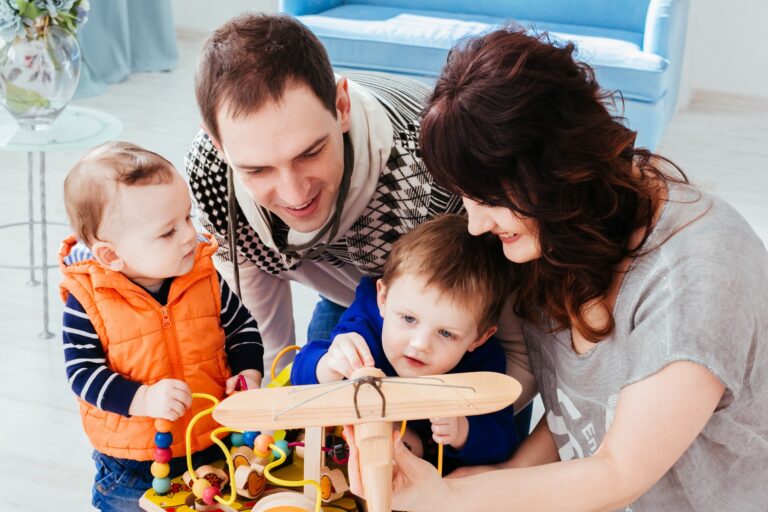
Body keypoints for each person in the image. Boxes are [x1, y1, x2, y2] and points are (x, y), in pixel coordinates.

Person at [343, 26, 768, 511]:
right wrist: (508, 474)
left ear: (552, 171)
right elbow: (584, 407)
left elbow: (620, 471)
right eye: (467, 199)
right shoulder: (549, 238)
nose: (476, 225)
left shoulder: (701, 275)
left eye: (487, 200)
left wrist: (445, 496)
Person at [184, 13, 536, 419]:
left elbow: (518, 351)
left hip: (457, 324)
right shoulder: (212, 175)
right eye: (257, 170)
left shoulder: (429, 175)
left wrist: (469, 431)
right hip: (362, 291)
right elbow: (264, 320)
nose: (294, 195)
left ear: (341, 106)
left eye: (310, 153)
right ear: (218, 144)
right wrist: (274, 408)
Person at [59, 142, 265, 511]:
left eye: (187, 217)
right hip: (134, 464)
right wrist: (142, 399)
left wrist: (248, 371)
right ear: (111, 255)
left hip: (214, 440)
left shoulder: (204, 276)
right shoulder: (87, 301)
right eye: (168, 232)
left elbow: (242, 328)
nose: (188, 235)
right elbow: (82, 375)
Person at [291, 214, 520, 470]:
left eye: (446, 333)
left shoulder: (483, 364)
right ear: (383, 299)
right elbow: (299, 376)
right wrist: (328, 365)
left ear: (478, 338)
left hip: (424, 474)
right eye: (409, 319)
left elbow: (503, 440)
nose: (420, 344)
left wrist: (463, 431)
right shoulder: (367, 329)